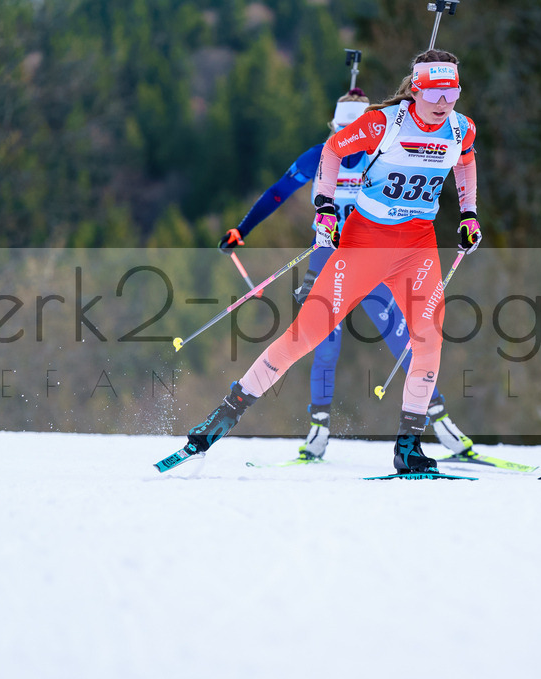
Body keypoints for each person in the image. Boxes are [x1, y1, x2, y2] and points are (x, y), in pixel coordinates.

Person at [166, 49, 481, 475]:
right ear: (418, 88)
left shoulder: (461, 128)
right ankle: (222, 418)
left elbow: (465, 160)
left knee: (427, 340)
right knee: (307, 336)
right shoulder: (382, 123)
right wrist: (326, 208)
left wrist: (468, 213)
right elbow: (331, 153)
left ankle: (409, 445)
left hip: (417, 249)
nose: (445, 101)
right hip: (363, 246)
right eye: (437, 91)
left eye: (453, 91)